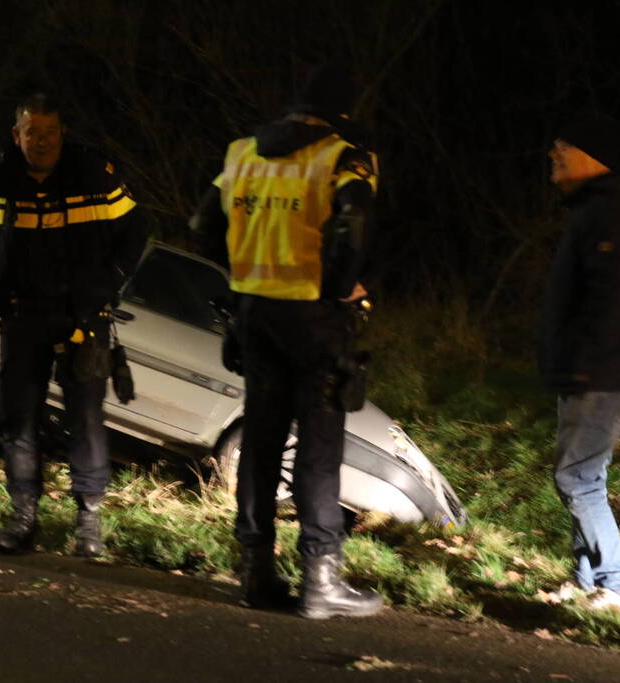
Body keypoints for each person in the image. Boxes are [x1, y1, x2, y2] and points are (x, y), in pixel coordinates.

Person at [191, 64, 383, 619]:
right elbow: (354, 224)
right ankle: (321, 580)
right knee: (320, 449)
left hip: (254, 312)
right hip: (313, 317)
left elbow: (202, 223)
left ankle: (255, 574)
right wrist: (340, 290)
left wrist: (239, 283)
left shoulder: (242, 153)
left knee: (262, 442)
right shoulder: (343, 156)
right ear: (341, 113)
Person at [0, 93, 147, 558]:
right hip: (21, 317)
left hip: (83, 320)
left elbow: (135, 231)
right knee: (18, 421)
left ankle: (89, 522)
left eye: (50, 132)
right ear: (16, 135)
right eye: (32, 132)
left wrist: (105, 289)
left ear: (63, 134)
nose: (42, 141)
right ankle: (24, 517)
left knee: (86, 420)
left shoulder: (94, 175)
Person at [541, 113, 620, 621]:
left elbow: (614, 300)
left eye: (563, 148)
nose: (553, 154)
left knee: (574, 477)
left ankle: (618, 589)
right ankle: (587, 580)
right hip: (595, 367)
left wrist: (588, 364)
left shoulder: (613, 214)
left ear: (594, 158)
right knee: (587, 474)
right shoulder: (598, 209)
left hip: (607, 370)